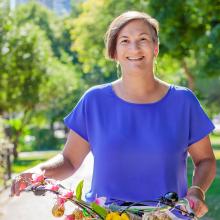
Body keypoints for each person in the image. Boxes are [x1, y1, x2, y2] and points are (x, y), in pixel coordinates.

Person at [11, 11, 216, 219]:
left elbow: (206, 159)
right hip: (103, 215)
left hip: (168, 216)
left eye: (143, 39)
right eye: (125, 41)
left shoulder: (183, 101)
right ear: (114, 52)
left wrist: (197, 191)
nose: (134, 48)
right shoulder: (94, 101)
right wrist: (40, 173)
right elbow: (70, 161)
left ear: (156, 48)